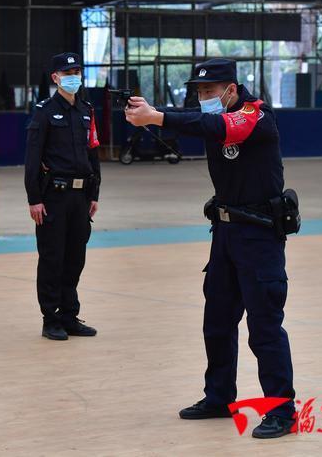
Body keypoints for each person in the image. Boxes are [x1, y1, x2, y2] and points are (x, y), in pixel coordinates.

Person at [124, 58, 297, 439]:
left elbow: (212, 125)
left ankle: (282, 410)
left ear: (231, 90)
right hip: (225, 234)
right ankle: (219, 397)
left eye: (209, 91)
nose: (203, 98)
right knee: (217, 321)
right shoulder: (217, 114)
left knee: (264, 326)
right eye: (199, 92)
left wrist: (156, 118)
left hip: (259, 236)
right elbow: (196, 119)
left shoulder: (255, 116)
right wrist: (150, 113)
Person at [24, 52, 101, 341]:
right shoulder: (44, 112)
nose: (74, 78)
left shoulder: (86, 111)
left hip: (81, 198)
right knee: (52, 258)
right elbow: (32, 159)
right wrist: (34, 199)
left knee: (75, 258)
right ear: (55, 78)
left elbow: (93, 153)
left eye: (77, 72)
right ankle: (51, 318)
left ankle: (69, 315)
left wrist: (94, 192)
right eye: (67, 73)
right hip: (53, 196)